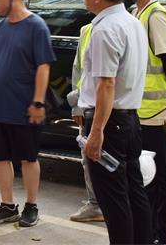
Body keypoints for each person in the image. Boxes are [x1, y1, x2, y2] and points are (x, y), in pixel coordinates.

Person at [79, 0, 153, 245]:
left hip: (110, 123)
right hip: (130, 119)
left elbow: (106, 84)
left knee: (114, 199)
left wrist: (97, 130)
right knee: (134, 191)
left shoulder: (104, 29)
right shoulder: (132, 23)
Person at [0, 0, 55, 227]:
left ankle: (31, 205)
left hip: (25, 107)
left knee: (28, 158)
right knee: (0, 157)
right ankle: (7, 205)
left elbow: (43, 67)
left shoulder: (36, 27)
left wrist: (38, 102)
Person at [125, 0, 166, 245]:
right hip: (143, 113)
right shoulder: (138, 13)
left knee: (165, 180)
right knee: (149, 179)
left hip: (161, 114)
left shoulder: (156, 16)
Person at [67, 23, 105, 223]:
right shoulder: (86, 30)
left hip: (115, 108)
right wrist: (77, 106)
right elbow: (78, 72)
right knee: (89, 159)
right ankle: (95, 204)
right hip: (88, 107)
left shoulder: (117, 26)